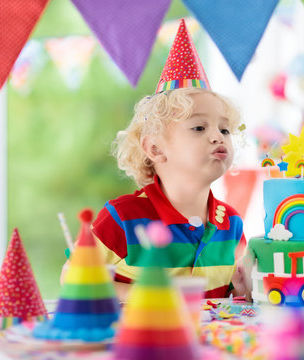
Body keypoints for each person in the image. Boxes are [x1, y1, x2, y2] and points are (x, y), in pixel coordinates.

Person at [60, 19, 249, 302]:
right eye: (199, 128)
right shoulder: (123, 217)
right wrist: (147, 295)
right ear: (156, 149)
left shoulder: (231, 224)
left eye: (224, 129)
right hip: (140, 342)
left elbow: (230, 298)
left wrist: (244, 290)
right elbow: (73, 279)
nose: (217, 137)